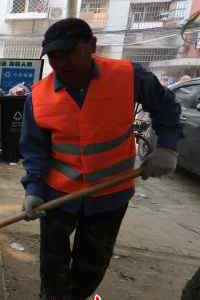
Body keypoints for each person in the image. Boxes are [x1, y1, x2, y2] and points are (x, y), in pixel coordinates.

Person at [19, 18, 182, 300]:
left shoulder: (128, 76)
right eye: (54, 57)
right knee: (52, 268)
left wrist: (167, 148)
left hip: (110, 194)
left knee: (90, 268)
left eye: (69, 53)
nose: (61, 63)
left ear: (91, 46)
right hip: (58, 197)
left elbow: (166, 107)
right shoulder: (38, 97)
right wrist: (33, 191)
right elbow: (34, 149)